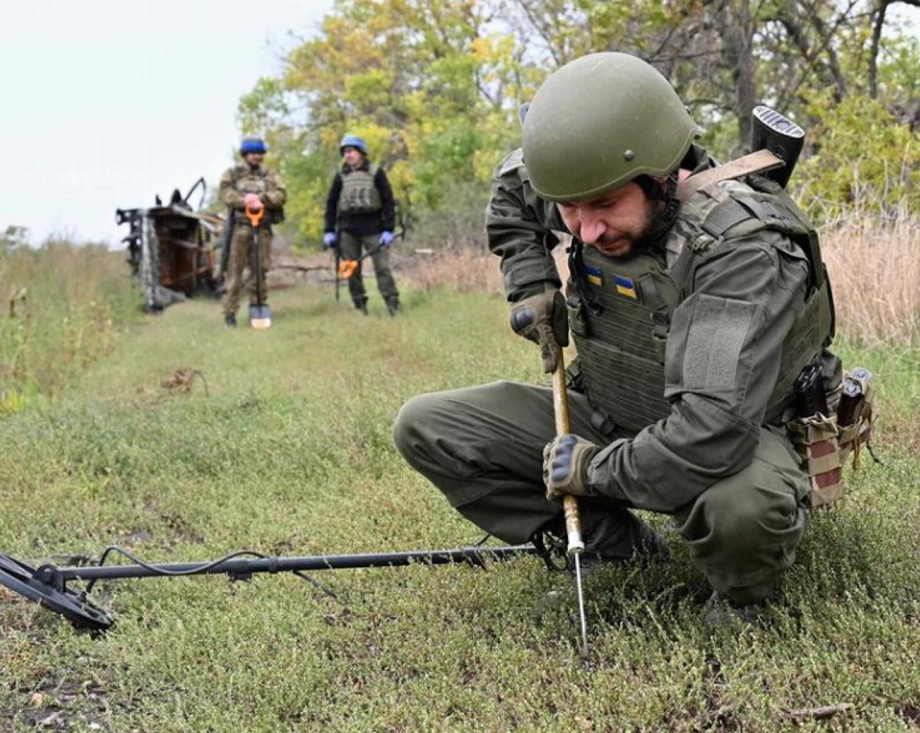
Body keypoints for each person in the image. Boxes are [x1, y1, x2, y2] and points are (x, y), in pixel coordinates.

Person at [393, 52, 840, 624]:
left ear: (663, 176)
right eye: (569, 209)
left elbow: (712, 432)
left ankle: (743, 599)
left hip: (736, 434)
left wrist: (591, 471)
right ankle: (615, 547)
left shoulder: (739, 249)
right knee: (429, 428)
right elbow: (512, 193)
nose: (587, 229)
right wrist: (531, 285)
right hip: (611, 404)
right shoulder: (587, 188)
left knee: (741, 510)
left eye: (605, 205)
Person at [323, 135, 400, 316]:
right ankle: (360, 306)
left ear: (361, 153)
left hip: (373, 227)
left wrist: (389, 229)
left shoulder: (376, 173)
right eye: (345, 152)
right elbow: (331, 204)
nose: (348, 156)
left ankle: (393, 304)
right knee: (351, 269)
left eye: (351, 151)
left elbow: (388, 202)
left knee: (382, 268)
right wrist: (328, 230)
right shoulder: (340, 176)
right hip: (348, 229)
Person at [218, 136, 287, 328]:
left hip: (262, 229)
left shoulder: (270, 175)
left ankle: (258, 308)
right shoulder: (232, 174)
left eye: (259, 153)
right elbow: (225, 193)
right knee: (234, 272)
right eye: (253, 153)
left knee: (260, 270)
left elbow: (281, 194)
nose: (256, 157)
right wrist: (245, 200)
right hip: (239, 228)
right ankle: (230, 314)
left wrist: (263, 199)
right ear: (245, 155)